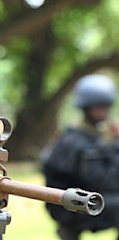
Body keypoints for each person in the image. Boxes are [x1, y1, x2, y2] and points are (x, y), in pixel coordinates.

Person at [41, 74, 119, 240]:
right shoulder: (77, 142)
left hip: (81, 200)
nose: (104, 111)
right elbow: (103, 180)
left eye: (106, 106)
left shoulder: (92, 135)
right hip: (72, 208)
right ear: (86, 108)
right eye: (98, 107)